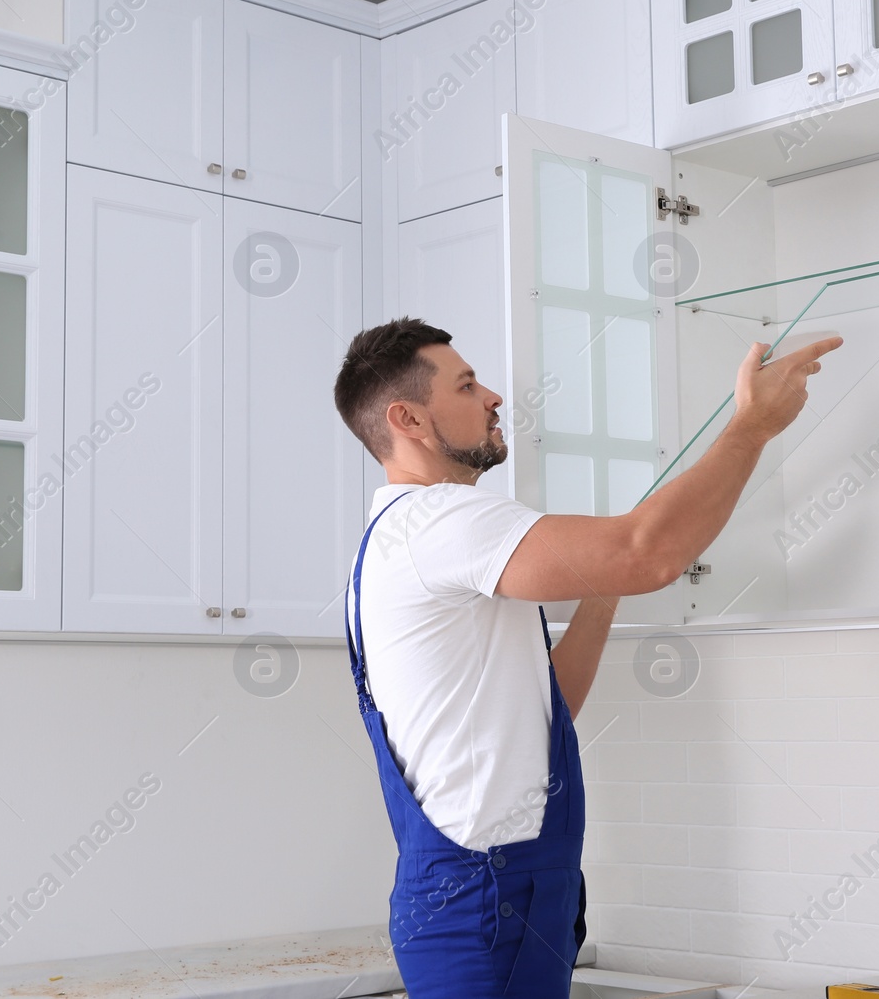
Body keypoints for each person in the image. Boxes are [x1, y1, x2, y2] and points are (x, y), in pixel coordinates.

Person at [332, 316, 840, 997]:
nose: (493, 396)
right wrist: (752, 426)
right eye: (467, 383)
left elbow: (550, 708)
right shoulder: (441, 522)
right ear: (409, 419)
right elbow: (648, 551)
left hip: (489, 900)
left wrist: (605, 586)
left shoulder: (406, 540)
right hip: (487, 905)